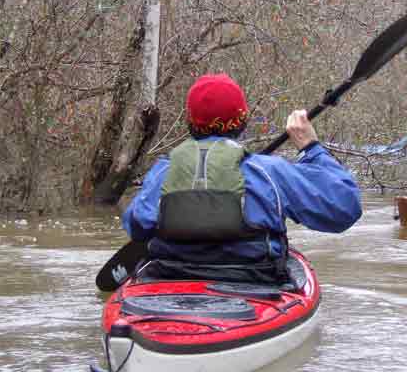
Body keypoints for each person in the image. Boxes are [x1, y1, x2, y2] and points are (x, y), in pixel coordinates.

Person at [122, 73, 363, 283]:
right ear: (242, 121)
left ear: (190, 122)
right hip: (255, 283)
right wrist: (311, 148)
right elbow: (344, 208)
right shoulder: (269, 172)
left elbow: (136, 225)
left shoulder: (164, 170)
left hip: (171, 280)